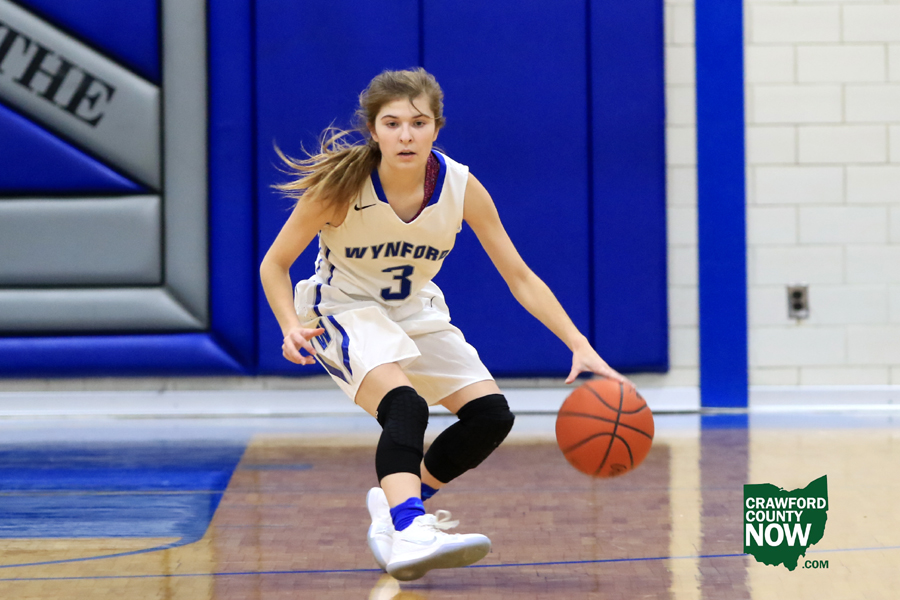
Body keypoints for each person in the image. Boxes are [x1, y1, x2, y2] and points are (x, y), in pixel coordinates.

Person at [259, 68, 626, 581]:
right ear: (374, 130)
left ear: (436, 128)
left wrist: (578, 343)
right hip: (342, 310)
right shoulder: (340, 188)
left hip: (413, 308)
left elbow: (520, 276)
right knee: (405, 405)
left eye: (418, 123)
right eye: (392, 124)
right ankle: (411, 527)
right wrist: (288, 325)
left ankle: (398, 505)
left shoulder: (461, 187)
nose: (405, 135)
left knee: (491, 418)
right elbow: (274, 264)